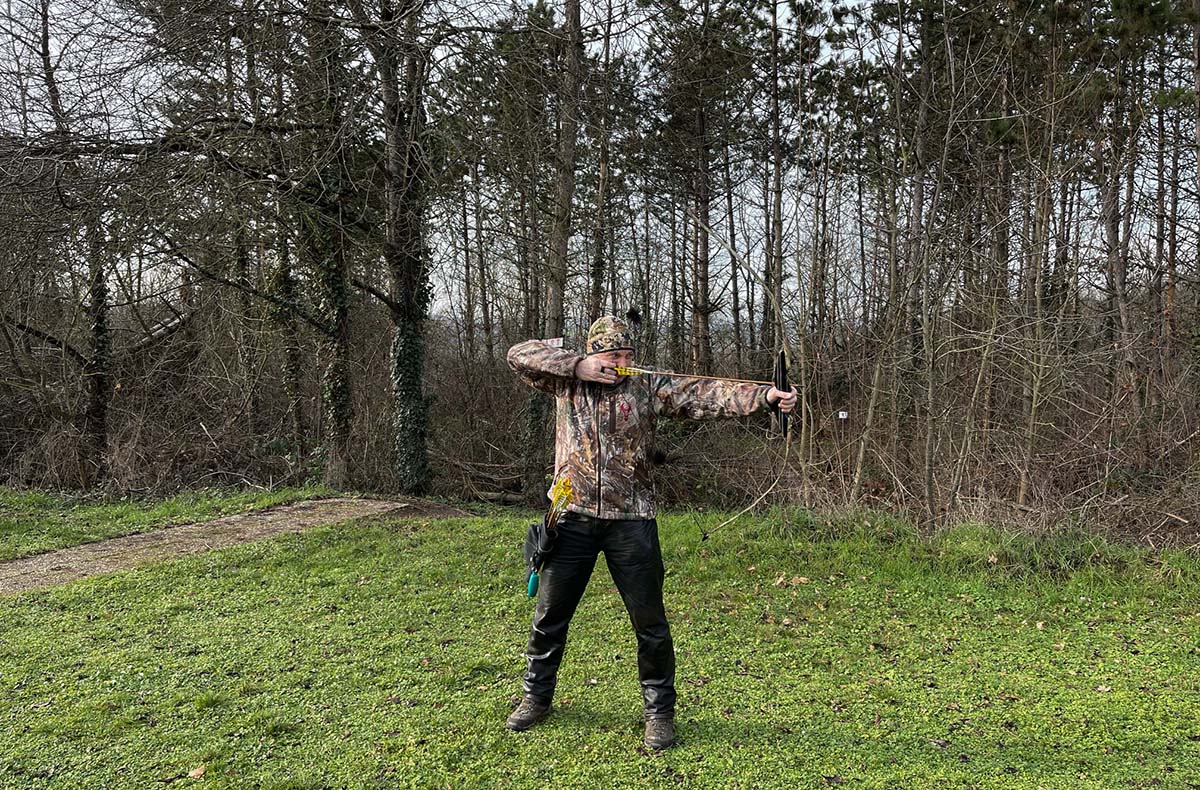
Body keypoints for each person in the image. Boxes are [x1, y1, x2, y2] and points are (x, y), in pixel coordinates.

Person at [504, 314, 797, 750]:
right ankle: (536, 696)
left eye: (627, 354)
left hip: (632, 519)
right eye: (613, 355)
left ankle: (659, 712)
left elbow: (705, 393)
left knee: (650, 623)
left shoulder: (646, 385)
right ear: (594, 355)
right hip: (571, 515)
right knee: (550, 616)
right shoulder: (567, 382)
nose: (622, 362)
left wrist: (767, 397)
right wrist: (579, 367)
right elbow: (519, 355)